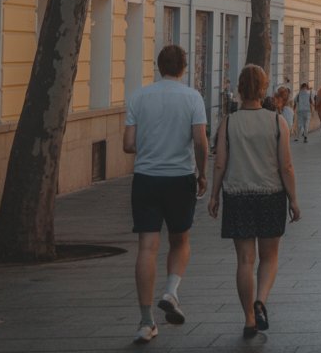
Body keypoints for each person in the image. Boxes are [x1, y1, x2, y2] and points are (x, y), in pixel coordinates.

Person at [123, 45, 208, 345]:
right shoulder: (192, 97)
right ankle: (171, 291)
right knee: (180, 240)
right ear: (183, 68)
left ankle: (146, 322)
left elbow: (128, 144)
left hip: (146, 178)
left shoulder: (138, 96)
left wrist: (149, 144)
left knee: (146, 247)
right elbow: (200, 141)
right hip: (179, 178)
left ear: (159, 66)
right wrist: (202, 174)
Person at [208, 65, 301, 338]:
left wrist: (213, 195)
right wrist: (294, 199)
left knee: (245, 261)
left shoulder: (229, 122)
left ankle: (249, 318)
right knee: (270, 256)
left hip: (237, 196)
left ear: (239, 88)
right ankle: (261, 300)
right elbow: (286, 166)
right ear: (264, 89)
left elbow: (220, 163)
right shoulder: (277, 122)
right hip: (271, 194)